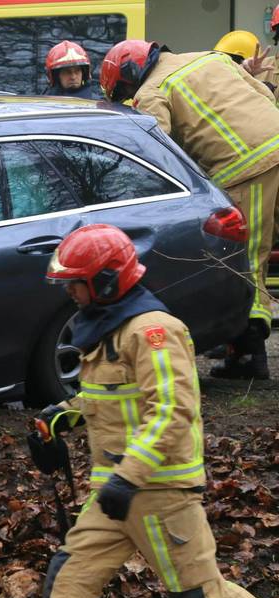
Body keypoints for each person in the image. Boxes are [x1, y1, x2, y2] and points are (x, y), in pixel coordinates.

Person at [0, 224, 279, 598]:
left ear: (108, 281)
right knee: (72, 575)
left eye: (76, 284)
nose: (70, 293)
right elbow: (116, 400)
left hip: (158, 490)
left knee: (200, 595)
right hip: (117, 492)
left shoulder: (152, 331)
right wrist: (62, 416)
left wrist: (128, 477)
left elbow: (172, 412)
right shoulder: (108, 327)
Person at [100, 39, 279, 379]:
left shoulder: (153, 91)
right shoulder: (212, 58)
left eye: (124, 90)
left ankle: (248, 356)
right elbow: (267, 96)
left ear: (131, 74)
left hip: (247, 170)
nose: (127, 95)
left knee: (245, 262)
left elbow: (155, 151)